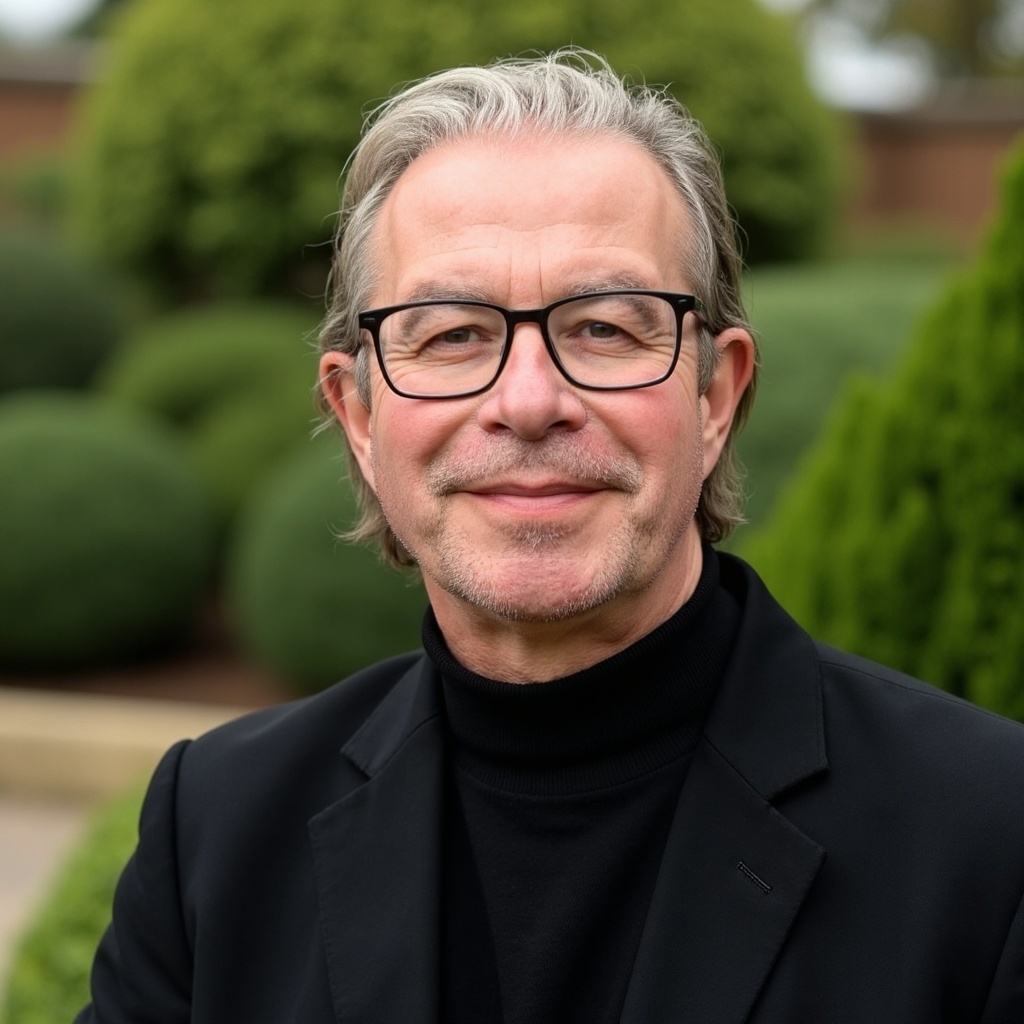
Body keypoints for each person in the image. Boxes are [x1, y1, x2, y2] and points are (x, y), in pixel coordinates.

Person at [78, 51, 1024, 1023]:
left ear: (714, 395)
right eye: (450, 335)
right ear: (358, 415)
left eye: (606, 328)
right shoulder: (219, 826)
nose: (528, 402)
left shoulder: (992, 835)